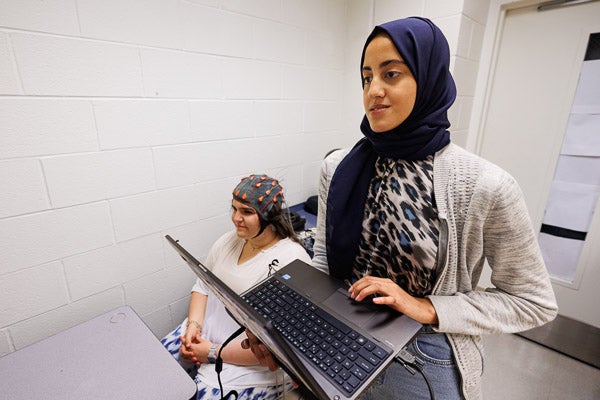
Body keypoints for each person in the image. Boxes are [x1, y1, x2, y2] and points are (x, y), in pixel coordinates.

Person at [244, 17, 558, 400]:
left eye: (391, 74)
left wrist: (426, 307)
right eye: (365, 78)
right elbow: (326, 259)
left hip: (426, 351)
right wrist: (291, 327)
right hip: (343, 328)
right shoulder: (338, 168)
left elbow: (533, 302)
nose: (373, 91)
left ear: (429, 78)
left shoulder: (486, 185)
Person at [161, 174, 312, 400]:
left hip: (250, 364)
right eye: (234, 209)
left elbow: (278, 346)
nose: (236, 218)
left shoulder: (291, 260)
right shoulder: (228, 241)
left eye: (247, 212)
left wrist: (212, 352)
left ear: (269, 217)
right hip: (204, 335)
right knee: (153, 370)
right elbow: (202, 285)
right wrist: (193, 327)